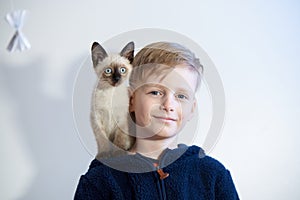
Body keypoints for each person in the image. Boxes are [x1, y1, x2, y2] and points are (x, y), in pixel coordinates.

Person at [74, 42, 239, 199]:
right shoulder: (100, 180)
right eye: (155, 92)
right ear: (130, 100)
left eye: (181, 96)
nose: (169, 105)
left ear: (192, 109)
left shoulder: (213, 174)